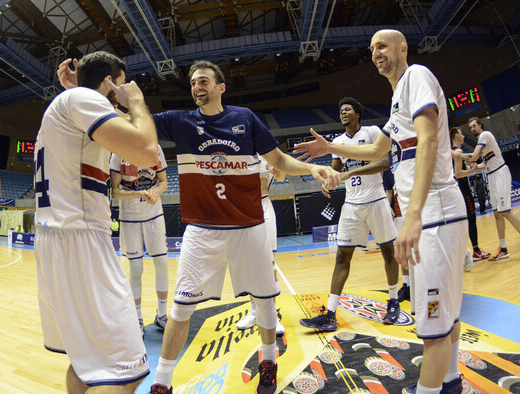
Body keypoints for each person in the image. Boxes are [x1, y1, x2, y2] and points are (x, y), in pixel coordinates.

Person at [57, 58, 339, 394]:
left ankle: (268, 361)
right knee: (181, 308)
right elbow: (123, 122)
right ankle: (162, 381)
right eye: (193, 83)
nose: (197, 87)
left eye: (204, 81)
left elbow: (278, 161)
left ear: (221, 87)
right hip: (203, 230)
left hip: (249, 225)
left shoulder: (245, 118)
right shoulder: (179, 121)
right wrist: (80, 92)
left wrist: (312, 170)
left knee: (264, 301)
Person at [295, 29, 468, 394]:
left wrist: (414, 215)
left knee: (433, 326)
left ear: (402, 49)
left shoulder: (416, 76)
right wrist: (329, 147)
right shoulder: (397, 97)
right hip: (434, 212)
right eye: (372, 48)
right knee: (445, 316)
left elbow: (429, 139)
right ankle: (451, 382)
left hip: (434, 212)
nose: (376, 53)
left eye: (383, 46)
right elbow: (377, 151)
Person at [35, 51, 158, 393]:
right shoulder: (83, 99)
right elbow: (147, 150)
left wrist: (91, 90)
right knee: (126, 371)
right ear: (109, 82)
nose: (124, 90)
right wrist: (136, 100)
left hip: (58, 237)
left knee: (88, 363)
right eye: (120, 83)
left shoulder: (68, 103)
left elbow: (110, 125)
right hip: (81, 241)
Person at [299, 97, 400, 332]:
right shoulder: (338, 141)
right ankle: (330, 314)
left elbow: (384, 162)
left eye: (348, 109)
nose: (343, 113)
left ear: (358, 113)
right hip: (352, 203)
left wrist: (342, 176)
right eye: (341, 110)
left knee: (388, 251)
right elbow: (335, 171)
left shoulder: (373, 132)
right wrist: (327, 181)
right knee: (342, 257)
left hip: (375, 198)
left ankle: (393, 301)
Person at [110, 144, 169, 335]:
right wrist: (137, 193)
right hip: (130, 217)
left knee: (161, 263)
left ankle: (161, 315)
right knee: (136, 268)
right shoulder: (118, 152)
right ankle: (137, 318)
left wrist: (155, 192)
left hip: (154, 213)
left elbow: (163, 182)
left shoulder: (154, 148)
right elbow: (115, 192)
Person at [235, 155, 286, 336]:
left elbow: (281, 177)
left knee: (269, 263)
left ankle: (271, 315)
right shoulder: (237, 154)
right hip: (244, 209)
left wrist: (278, 171)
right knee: (249, 264)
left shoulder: (265, 155)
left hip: (264, 205)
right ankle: (255, 311)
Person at [466, 117, 520, 261]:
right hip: (492, 175)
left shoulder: (485, 135)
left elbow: (474, 156)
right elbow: (485, 163)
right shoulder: (482, 143)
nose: (472, 129)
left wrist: (455, 155)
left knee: (506, 212)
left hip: (500, 173)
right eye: (470, 127)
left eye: (474, 126)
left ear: (480, 125)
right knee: (497, 213)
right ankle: (503, 248)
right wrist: (476, 167)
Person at [450, 127, 491, 267]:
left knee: (466, 221)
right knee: (471, 218)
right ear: (456, 136)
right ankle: (476, 251)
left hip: (459, 188)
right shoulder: (458, 151)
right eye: (461, 133)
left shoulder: (455, 151)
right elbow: (458, 173)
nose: (463, 136)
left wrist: (480, 167)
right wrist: (473, 169)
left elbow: (465, 170)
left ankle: (472, 251)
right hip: (462, 188)